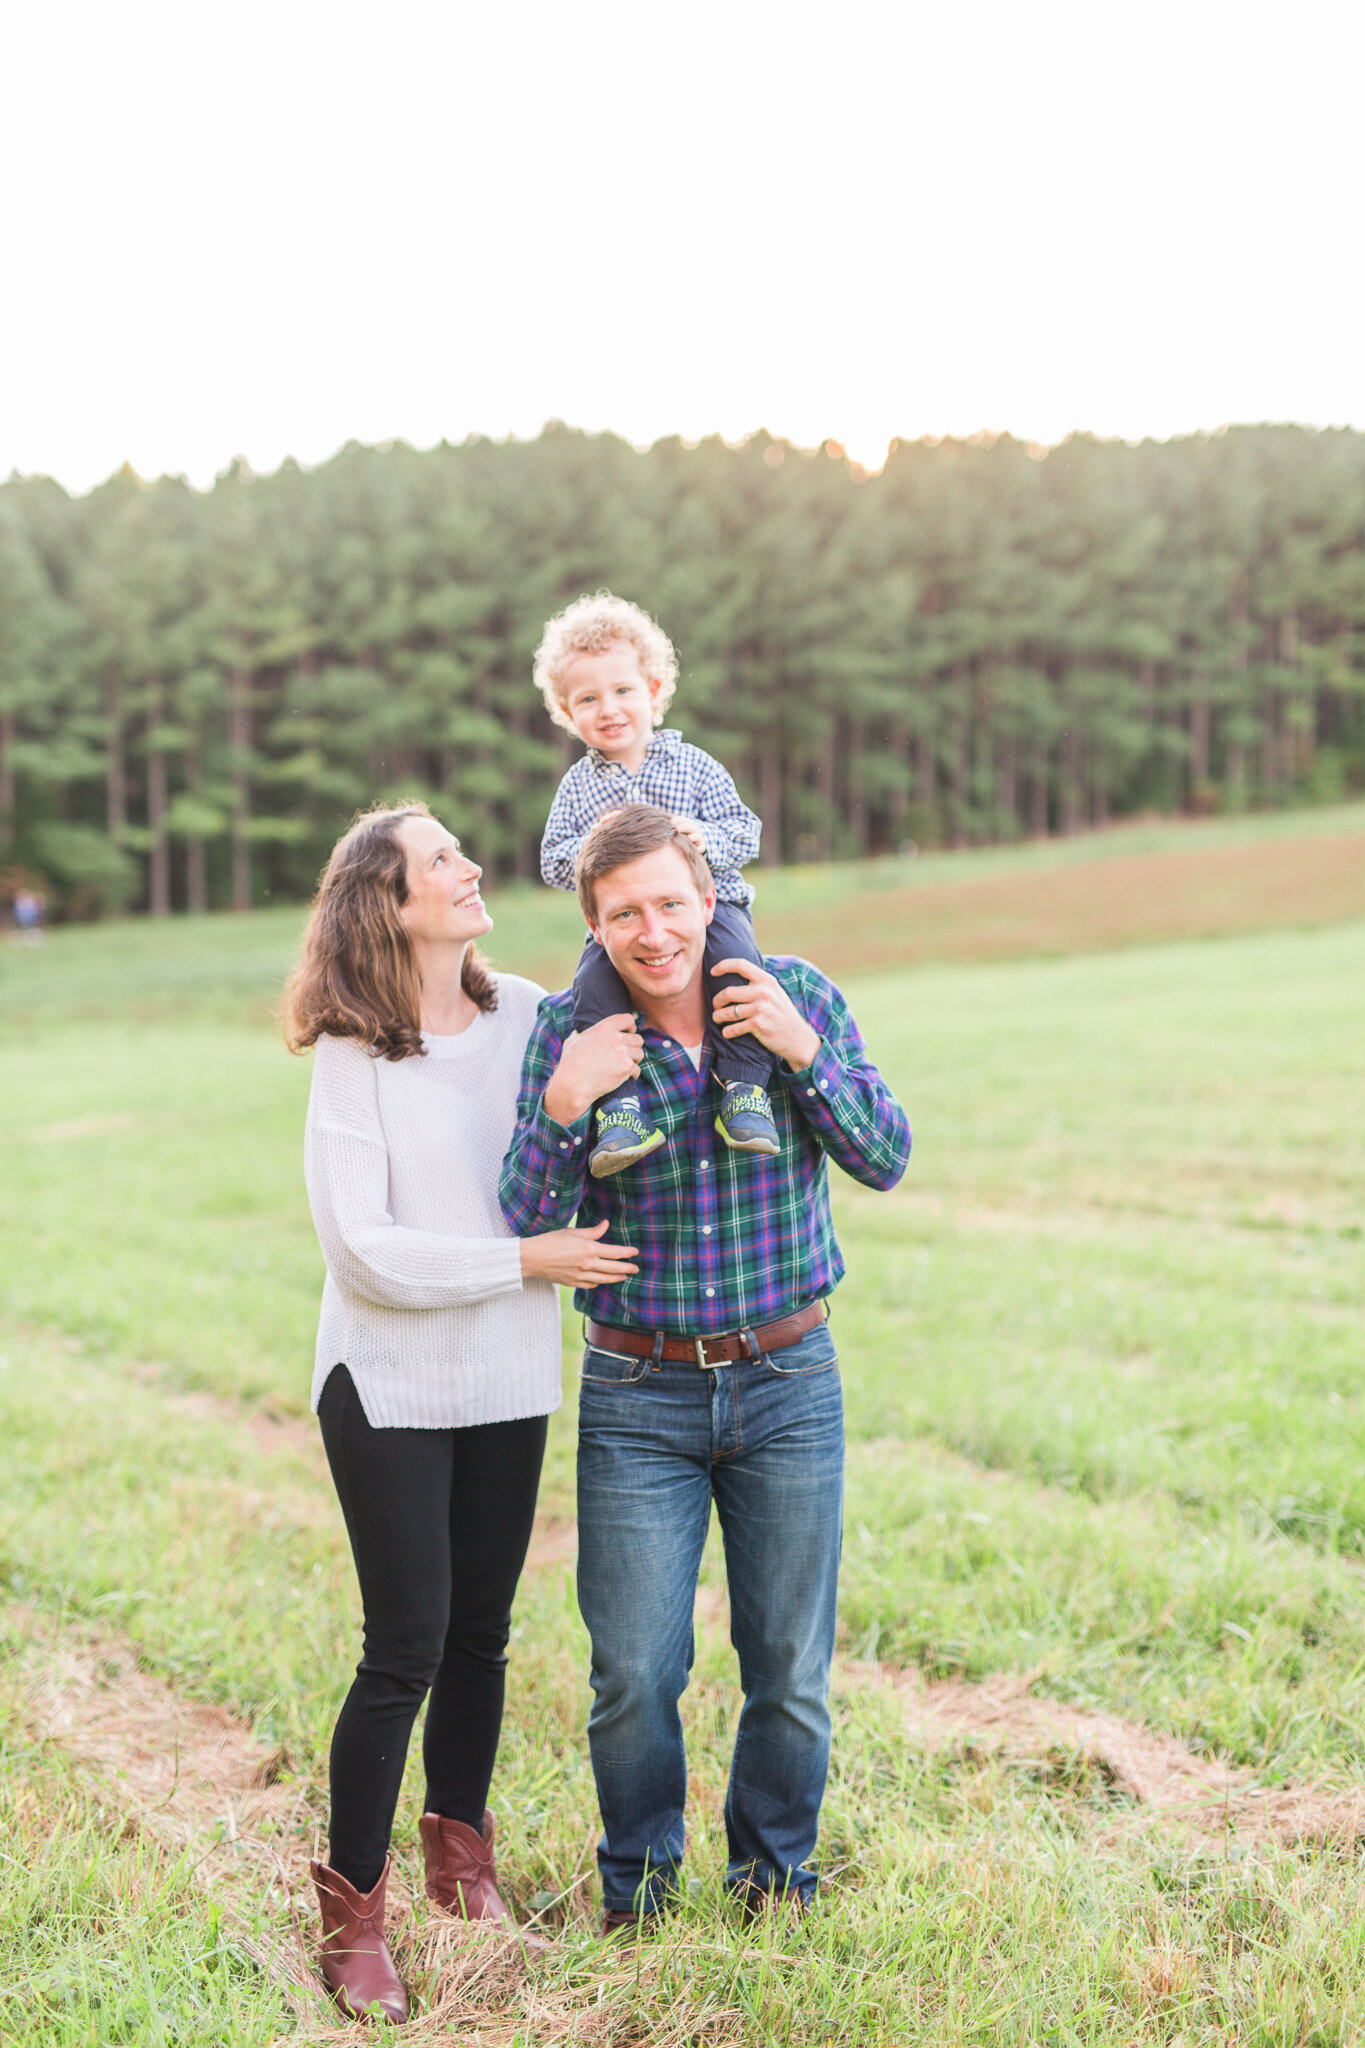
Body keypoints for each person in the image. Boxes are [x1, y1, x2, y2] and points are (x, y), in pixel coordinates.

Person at [499, 803, 911, 1929]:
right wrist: (563, 1104)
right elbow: (528, 1222)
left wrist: (802, 1050)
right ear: (593, 922)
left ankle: (774, 1880)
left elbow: (887, 1155)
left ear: (710, 895)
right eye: (623, 912)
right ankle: (638, 1886)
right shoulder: (574, 1039)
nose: (653, 930)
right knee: (633, 1666)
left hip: (789, 1380)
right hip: (638, 1394)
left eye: (671, 903)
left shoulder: (791, 994)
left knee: (788, 1659)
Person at [282, 800, 638, 2024]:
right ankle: (353, 1909)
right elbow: (365, 1252)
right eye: (442, 858)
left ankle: (461, 1862)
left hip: (505, 1376)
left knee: (482, 1632)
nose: (471, 865)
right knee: (406, 1644)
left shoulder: (534, 1015)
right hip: (383, 1382)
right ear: (388, 903)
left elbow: (611, 1104)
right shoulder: (352, 1052)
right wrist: (524, 1261)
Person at [534, 590, 780, 1177]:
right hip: (618, 926)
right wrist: (596, 845)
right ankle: (620, 1108)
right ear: (569, 714)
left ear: (654, 692)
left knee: (738, 971)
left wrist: (704, 840)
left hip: (709, 912)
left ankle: (745, 1090)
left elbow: (746, 831)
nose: (609, 708)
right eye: (588, 699)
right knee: (592, 990)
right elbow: (552, 861)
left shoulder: (692, 766)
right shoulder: (577, 788)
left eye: (622, 691)